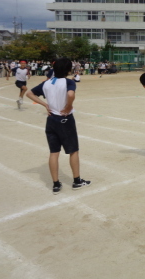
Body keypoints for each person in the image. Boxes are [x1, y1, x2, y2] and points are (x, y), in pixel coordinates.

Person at [26, 57, 91, 194]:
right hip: (65, 120)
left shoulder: (47, 83)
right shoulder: (68, 82)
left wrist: (45, 104)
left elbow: (29, 93)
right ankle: (77, 181)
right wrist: (68, 105)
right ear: (68, 70)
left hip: (51, 120)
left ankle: (56, 184)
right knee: (73, 150)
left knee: (54, 152)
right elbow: (71, 94)